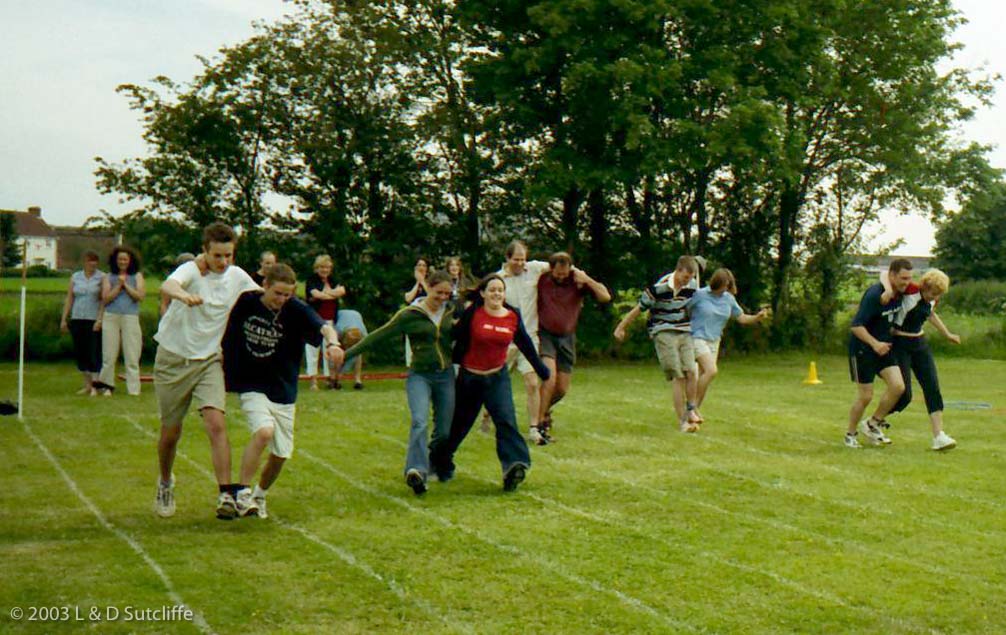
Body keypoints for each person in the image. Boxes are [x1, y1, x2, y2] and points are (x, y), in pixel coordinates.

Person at [153, 222, 261, 519]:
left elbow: (263, 298)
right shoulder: (191, 270)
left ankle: (226, 494)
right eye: (217, 256)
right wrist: (183, 295)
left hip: (209, 360)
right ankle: (165, 481)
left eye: (228, 255)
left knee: (216, 423)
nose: (223, 262)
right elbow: (168, 285)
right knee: (171, 433)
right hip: (173, 359)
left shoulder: (237, 276)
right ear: (205, 251)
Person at [223, 263, 344, 518]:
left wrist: (333, 343)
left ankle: (259, 495)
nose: (281, 299)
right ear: (265, 285)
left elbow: (324, 327)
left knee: (280, 455)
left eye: (287, 295)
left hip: (283, 389)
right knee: (264, 431)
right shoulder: (246, 303)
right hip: (252, 384)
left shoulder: (296, 309)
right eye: (277, 293)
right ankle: (242, 492)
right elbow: (226, 333)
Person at [429, 274, 551, 492]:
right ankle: (440, 463)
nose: (497, 294)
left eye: (500, 290)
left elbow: (525, 343)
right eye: (492, 290)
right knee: (457, 425)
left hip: (497, 378)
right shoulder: (473, 313)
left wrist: (541, 369)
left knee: (506, 421)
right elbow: (453, 335)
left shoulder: (512, 315)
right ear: (483, 293)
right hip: (470, 378)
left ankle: (514, 466)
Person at [344, 271, 457, 495]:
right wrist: (346, 355)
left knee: (444, 431)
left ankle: (436, 463)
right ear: (428, 288)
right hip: (420, 375)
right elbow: (379, 335)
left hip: (445, 376)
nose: (443, 298)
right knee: (419, 421)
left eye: (447, 293)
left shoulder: (453, 311)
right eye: (439, 293)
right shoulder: (410, 314)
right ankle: (416, 471)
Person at [614, 256, 701, 432]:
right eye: (685, 277)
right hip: (662, 329)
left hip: (684, 329)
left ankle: (691, 409)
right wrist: (621, 327)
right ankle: (683, 422)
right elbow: (638, 309)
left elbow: (694, 307)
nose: (687, 282)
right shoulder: (658, 288)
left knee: (692, 371)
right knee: (677, 375)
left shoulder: (692, 286)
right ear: (678, 271)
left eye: (691, 278)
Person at [533, 252, 611, 444]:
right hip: (546, 334)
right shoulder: (542, 280)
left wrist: (587, 279)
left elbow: (605, 296)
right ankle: (539, 425)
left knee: (561, 388)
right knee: (549, 378)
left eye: (564, 273)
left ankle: (542, 410)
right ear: (551, 269)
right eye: (557, 273)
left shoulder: (577, 282)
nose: (561, 277)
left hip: (567, 338)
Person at [885, 268, 960, 451]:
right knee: (904, 394)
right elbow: (885, 276)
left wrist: (947, 334)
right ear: (924, 286)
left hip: (919, 344)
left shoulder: (933, 299)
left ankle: (939, 436)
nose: (934, 297)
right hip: (900, 344)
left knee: (932, 387)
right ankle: (875, 420)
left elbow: (930, 313)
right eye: (932, 293)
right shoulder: (910, 291)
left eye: (938, 294)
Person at [688, 268, 771, 426]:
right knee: (711, 371)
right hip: (697, 337)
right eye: (722, 285)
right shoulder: (699, 294)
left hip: (714, 340)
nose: (724, 289)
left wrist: (757, 317)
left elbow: (741, 318)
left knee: (703, 376)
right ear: (715, 283)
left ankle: (693, 410)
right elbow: (685, 309)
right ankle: (692, 407)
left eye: (727, 285)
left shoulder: (729, 299)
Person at [845, 258, 914, 448]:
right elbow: (856, 326)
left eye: (909, 278)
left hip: (884, 348)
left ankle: (872, 424)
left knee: (898, 387)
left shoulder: (900, 291)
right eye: (903, 278)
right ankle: (850, 434)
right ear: (892, 275)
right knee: (865, 396)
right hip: (863, 349)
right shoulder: (875, 294)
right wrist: (875, 344)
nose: (907, 283)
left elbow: (924, 288)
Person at [494, 240, 551, 435]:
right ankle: (487, 416)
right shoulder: (498, 280)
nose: (520, 263)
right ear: (507, 258)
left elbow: (560, 265)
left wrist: (582, 276)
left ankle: (534, 427)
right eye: (516, 259)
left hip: (529, 338)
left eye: (522, 259)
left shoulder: (534, 269)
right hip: (506, 339)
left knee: (532, 383)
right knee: (495, 382)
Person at [96, 246, 145, 396]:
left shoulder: (137, 276)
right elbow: (106, 298)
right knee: (109, 354)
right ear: (115, 261)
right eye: (120, 259)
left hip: (130, 317)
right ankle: (106, 386)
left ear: (130, 261)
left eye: (125, 259)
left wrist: (126, 285)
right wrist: (118, 285)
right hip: (111, 316)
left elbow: (140, 296)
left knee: (132, 354)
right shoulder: (108, 277)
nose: (122, 262)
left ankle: (133, 389)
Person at [60, 250, 104, 396]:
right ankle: (87, 384)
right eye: (90, 261)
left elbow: (103, 300)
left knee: (93, 352)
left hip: (93, 319)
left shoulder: (102, 277)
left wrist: (99, 319)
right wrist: (64, 319)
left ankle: (96, 385)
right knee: (81, 352)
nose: (92, 264)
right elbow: (70, 298)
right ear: (84, 262)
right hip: (77, 318)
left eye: (95, 261)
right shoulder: (76, 277)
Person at [304, 255, 345, 390]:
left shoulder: (333, 279)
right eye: (322, 267)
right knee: (312, 349)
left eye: (327, 267)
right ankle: (313, 381)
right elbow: (316, 294)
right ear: (316, 268)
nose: (324, 270)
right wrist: (332, 294)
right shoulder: (311, 280)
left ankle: (330, 378)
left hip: (330, 320)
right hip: (313, 320)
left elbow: (342, 291)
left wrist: (327, 293)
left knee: (330, 348)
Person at [335, 309, 368, 390]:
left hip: (356, 315)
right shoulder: (338, 329)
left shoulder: (364, 334)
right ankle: (335, 379)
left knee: (358, 353)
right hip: (339, 315)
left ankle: (358, 381)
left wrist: (343, 372)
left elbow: (356, 353)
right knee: (337, 352)